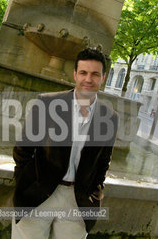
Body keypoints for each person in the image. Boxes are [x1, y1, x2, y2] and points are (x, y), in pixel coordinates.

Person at [12, 48, 119, 239]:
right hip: (38, 194)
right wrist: (24, 181)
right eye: (83, 73)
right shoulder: (47, 104)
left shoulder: (110, 117)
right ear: (75, 74)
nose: (88, 79)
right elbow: (23, 149)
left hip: (77, 202)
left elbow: (103, 161)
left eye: (95, 74)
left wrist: (94, 192)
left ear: (103, 77)